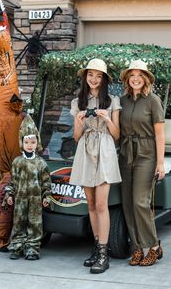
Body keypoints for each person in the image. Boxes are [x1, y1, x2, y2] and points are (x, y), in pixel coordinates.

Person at [70, 58, 121, 274]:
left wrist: (107, 119)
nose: (93, 79)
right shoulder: (77, 102)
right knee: (90, 204)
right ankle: (97, 246)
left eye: (98, 75)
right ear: (85, 77)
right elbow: (75, 137)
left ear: (104, 79)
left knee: (102, 204)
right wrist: (80, 122)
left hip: (105, 151)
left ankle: (103, 253)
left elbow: (117, 135)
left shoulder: (112, 100)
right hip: (84, 151)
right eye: (91, 75)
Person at [119, 59, 165, 266]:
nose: (136, 78)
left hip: (146, 154)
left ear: (145, 78)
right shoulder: (123, 100)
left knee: (140, 202)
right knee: (128, 204)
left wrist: (160, 162)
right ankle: (137, 247)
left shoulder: (153, 100)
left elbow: (160, 134)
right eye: (132, 75)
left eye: (140, 75)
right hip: (125, 154)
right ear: (128, 78)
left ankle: (154, 246)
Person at [2, 114, 51, 260]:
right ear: (22, 142)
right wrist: (9, 195)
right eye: (27, 142)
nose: (30, 145)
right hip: (20, 199)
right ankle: (17, 247)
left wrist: (46, 196)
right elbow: (12, 181)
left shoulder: (41, 163)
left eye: (33, 142)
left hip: (35, 201)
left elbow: (46, 182)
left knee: (35, 224)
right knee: (18, 223)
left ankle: (32, 249)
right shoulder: (17, 162)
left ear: (37, 143)